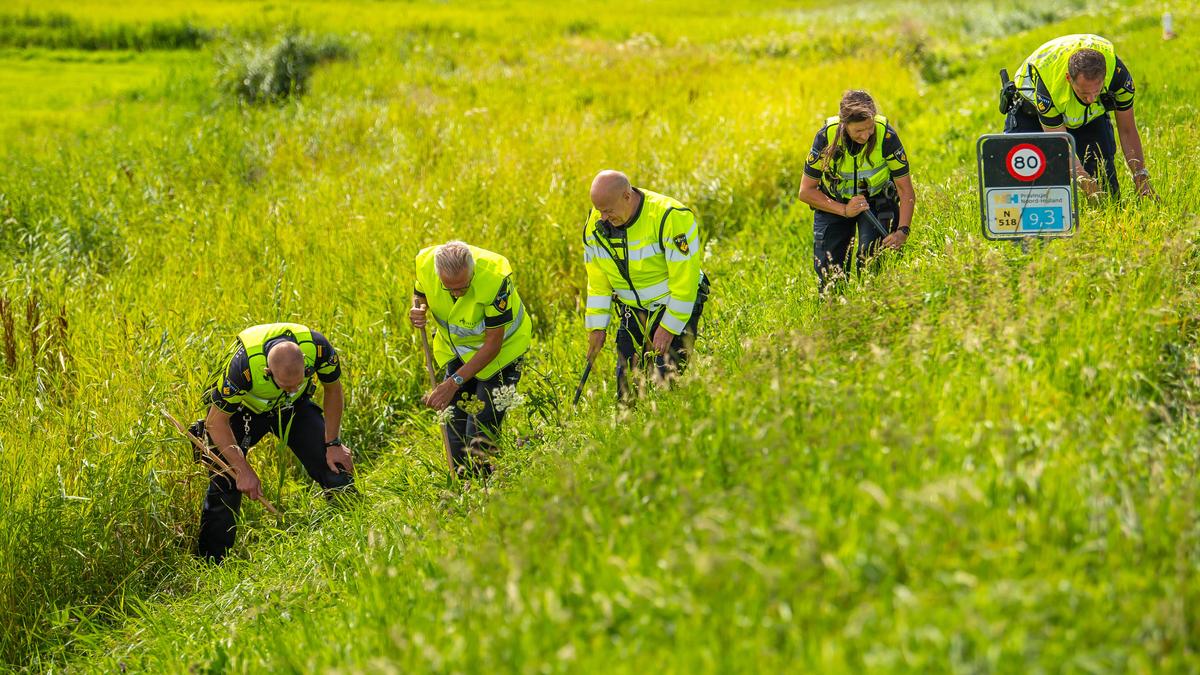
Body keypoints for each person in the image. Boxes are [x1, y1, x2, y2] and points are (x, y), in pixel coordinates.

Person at [192, 322, 354, 562]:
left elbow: (333, 389)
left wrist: (333, 443)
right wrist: (242, 469)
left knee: (332, 462)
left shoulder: (319, 348)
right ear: (268, 372)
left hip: (293, 408)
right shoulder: (242, 367)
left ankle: (353, 526)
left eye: (298, 382)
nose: (292, 389)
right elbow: (216, 422)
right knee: (226, 477)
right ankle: (211, 563)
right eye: (285, 385)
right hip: (244, 412)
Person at [582, 170, 709, 399]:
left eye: (608, 210)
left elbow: (685, 282)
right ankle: (627, 430)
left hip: (673, 304)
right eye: (599, 210)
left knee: (664, 383)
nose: (602, 218)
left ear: (627, 196)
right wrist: (597, 325)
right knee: (626, 388)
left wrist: (669, 326)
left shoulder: (670, 217)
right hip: (633, 309)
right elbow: (598, 281)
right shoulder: (597, 223)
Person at [409, 241, 532, 477]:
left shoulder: (495, 278)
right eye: (450, 289)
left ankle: (487, 490)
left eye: (463, 288)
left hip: (503, 353)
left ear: (472, 271)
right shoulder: (425, 264)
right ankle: (464, 489)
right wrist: (419, 310)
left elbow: (493, 344)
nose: (457, 294)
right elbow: (420, 294)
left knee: (480, 432)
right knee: (453, 424)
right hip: (459, 350)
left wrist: (452, 383)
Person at [1004, 34, 1154, 199]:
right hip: (1031, 114)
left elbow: (1127, 130)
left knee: (1109, 195)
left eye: (1096, 92)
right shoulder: (1049, 88)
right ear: (1069, 78)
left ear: (1105, 77)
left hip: (1087, 118)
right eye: (1084, 93)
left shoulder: (1119, 78)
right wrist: (1087, 184)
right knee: (1033, 191)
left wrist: (1141, 178)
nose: (1090, 99)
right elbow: (1060, 146)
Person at [797, 90, 915, 289]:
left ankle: (873, 306)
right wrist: (843, 210)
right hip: (835, 203)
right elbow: (806, 191)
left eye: (869, 128)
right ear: (845, 125)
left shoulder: (886, 135)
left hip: (877, 201)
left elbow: (905, 190)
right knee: (830, 277)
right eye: (859, 131)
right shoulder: (826, 136)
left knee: (873, 265)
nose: (866, 135)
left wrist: (903, 230)